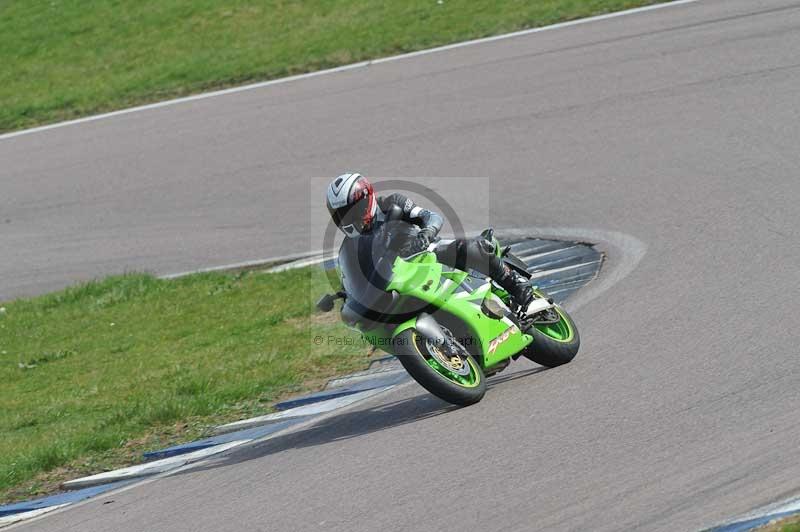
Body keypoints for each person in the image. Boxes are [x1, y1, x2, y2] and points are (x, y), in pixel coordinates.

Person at [325, 172, 535, 313]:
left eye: (353, 210)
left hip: (426, 253)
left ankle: (516, 285)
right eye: (343, 215)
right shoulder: (350, 247)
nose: (350, 218)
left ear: (367, 199)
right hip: (401, 277)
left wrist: (425, 234)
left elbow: (431, 216)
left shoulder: (392, 204)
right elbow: (352, 280)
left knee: (468, 248)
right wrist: (345, 296)